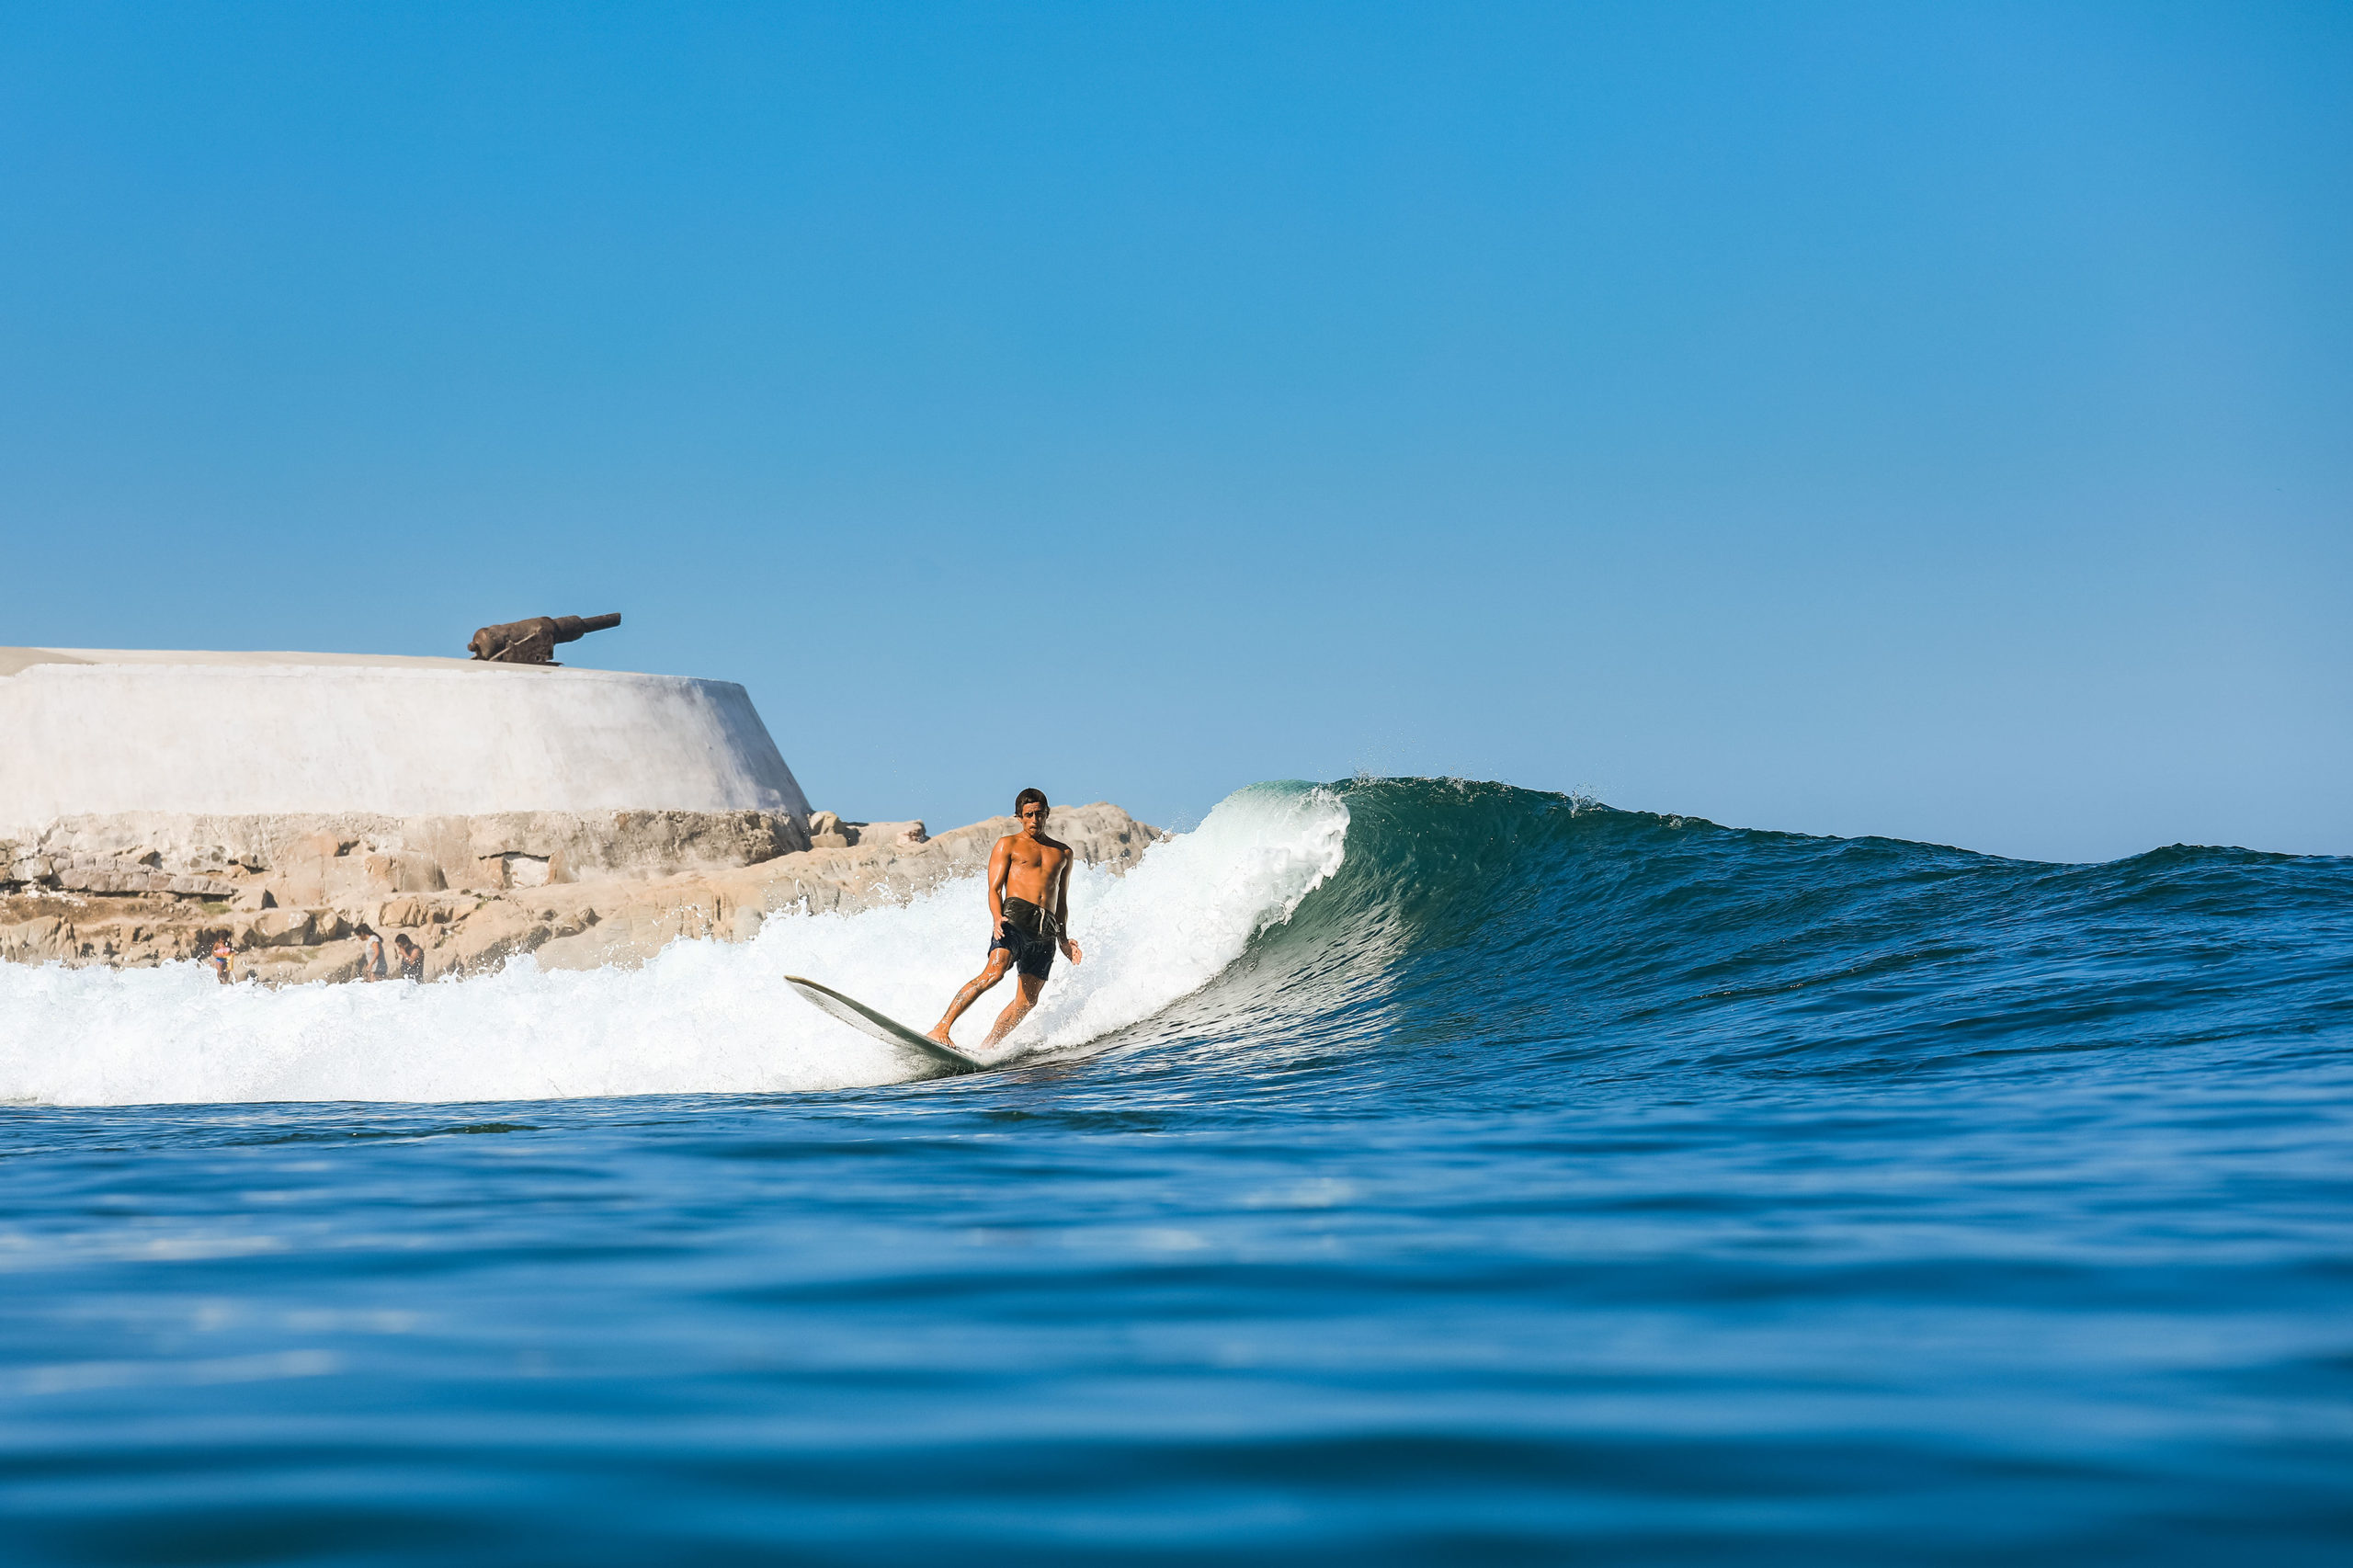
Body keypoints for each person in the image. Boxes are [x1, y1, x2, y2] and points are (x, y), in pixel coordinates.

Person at [928, 787, 1084, 1048]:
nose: (1035, 820)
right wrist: (996, 916)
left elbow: (1062, 899)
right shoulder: (1008, 844)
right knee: (994, 973)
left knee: (1028, 1001)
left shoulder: (1063, 852)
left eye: (1039, 814)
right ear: (1019, 817)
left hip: (1045, 930)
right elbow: (994, 888)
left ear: (1047, 814)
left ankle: (987, 1048)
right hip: (1014, 919)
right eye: (1029, 814)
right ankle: (940, 1029)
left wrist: (1063, 940)